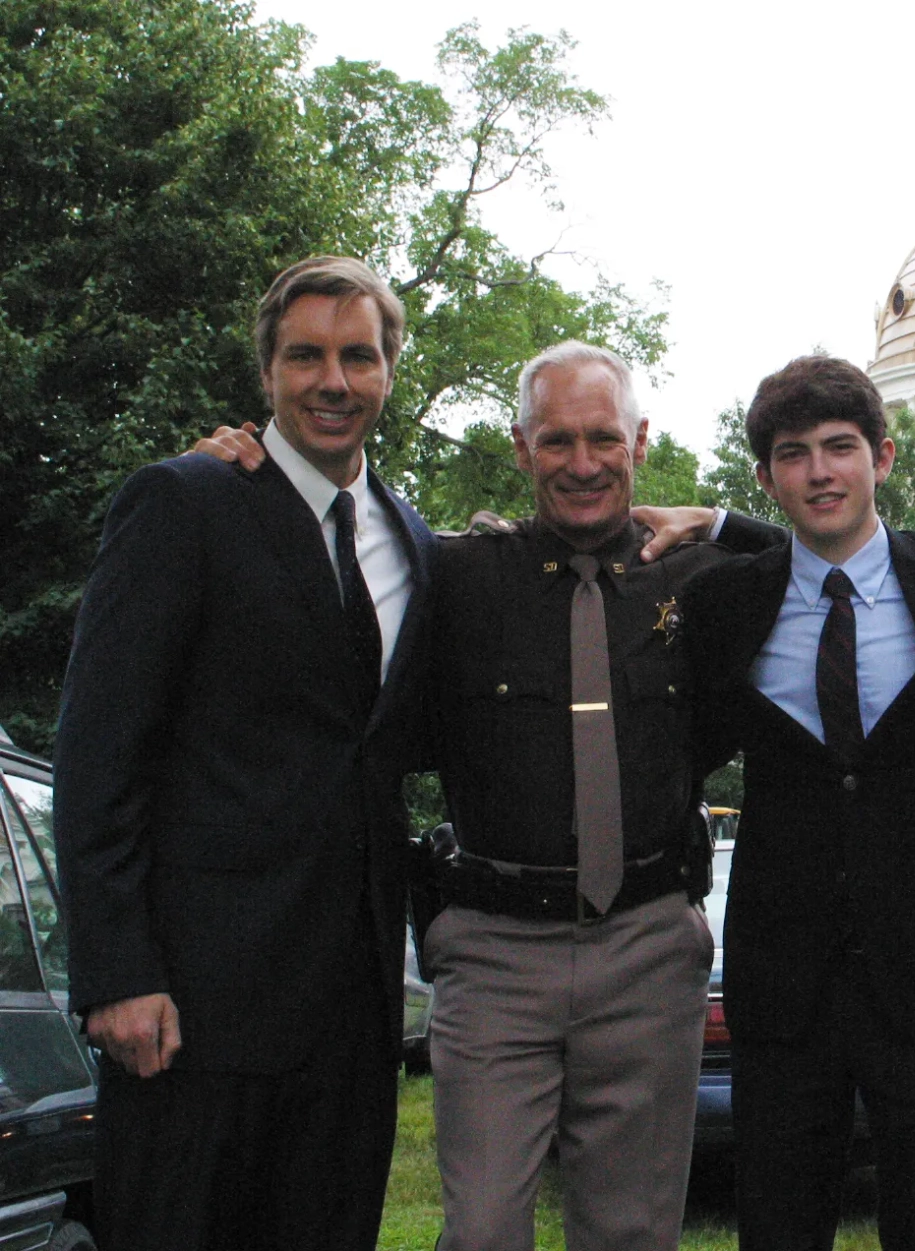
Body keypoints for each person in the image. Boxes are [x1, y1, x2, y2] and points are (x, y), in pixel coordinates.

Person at [52, 256, 436, 1250]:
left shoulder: (415, 542)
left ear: (391, 370)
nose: (333, 381)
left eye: (359, 356)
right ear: (267, 371)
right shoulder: (183, 504)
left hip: (350, 1017)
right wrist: (117, 973)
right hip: (192, 1010)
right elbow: (99, 754)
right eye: (305, 356)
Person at [419, 341, 744, 1251]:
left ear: (640, 440)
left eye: (605, 438)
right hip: (495, 953)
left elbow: (829, 555)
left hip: (645, 945)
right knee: (481, 1229)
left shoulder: (694, 578)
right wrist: (238, 469)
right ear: (519, 447)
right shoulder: (454, 575)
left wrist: (720, 518)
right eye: (556, 440)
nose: (584, 463)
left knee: (631, 1234)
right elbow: (340, 534)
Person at [678, 356, 915, 1251]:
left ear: (883, 457)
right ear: (767, 476)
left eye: (840, 447)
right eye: (794, 454)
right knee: (778, 1223)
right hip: (783, 980)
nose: (819, 472)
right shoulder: (720, 606)